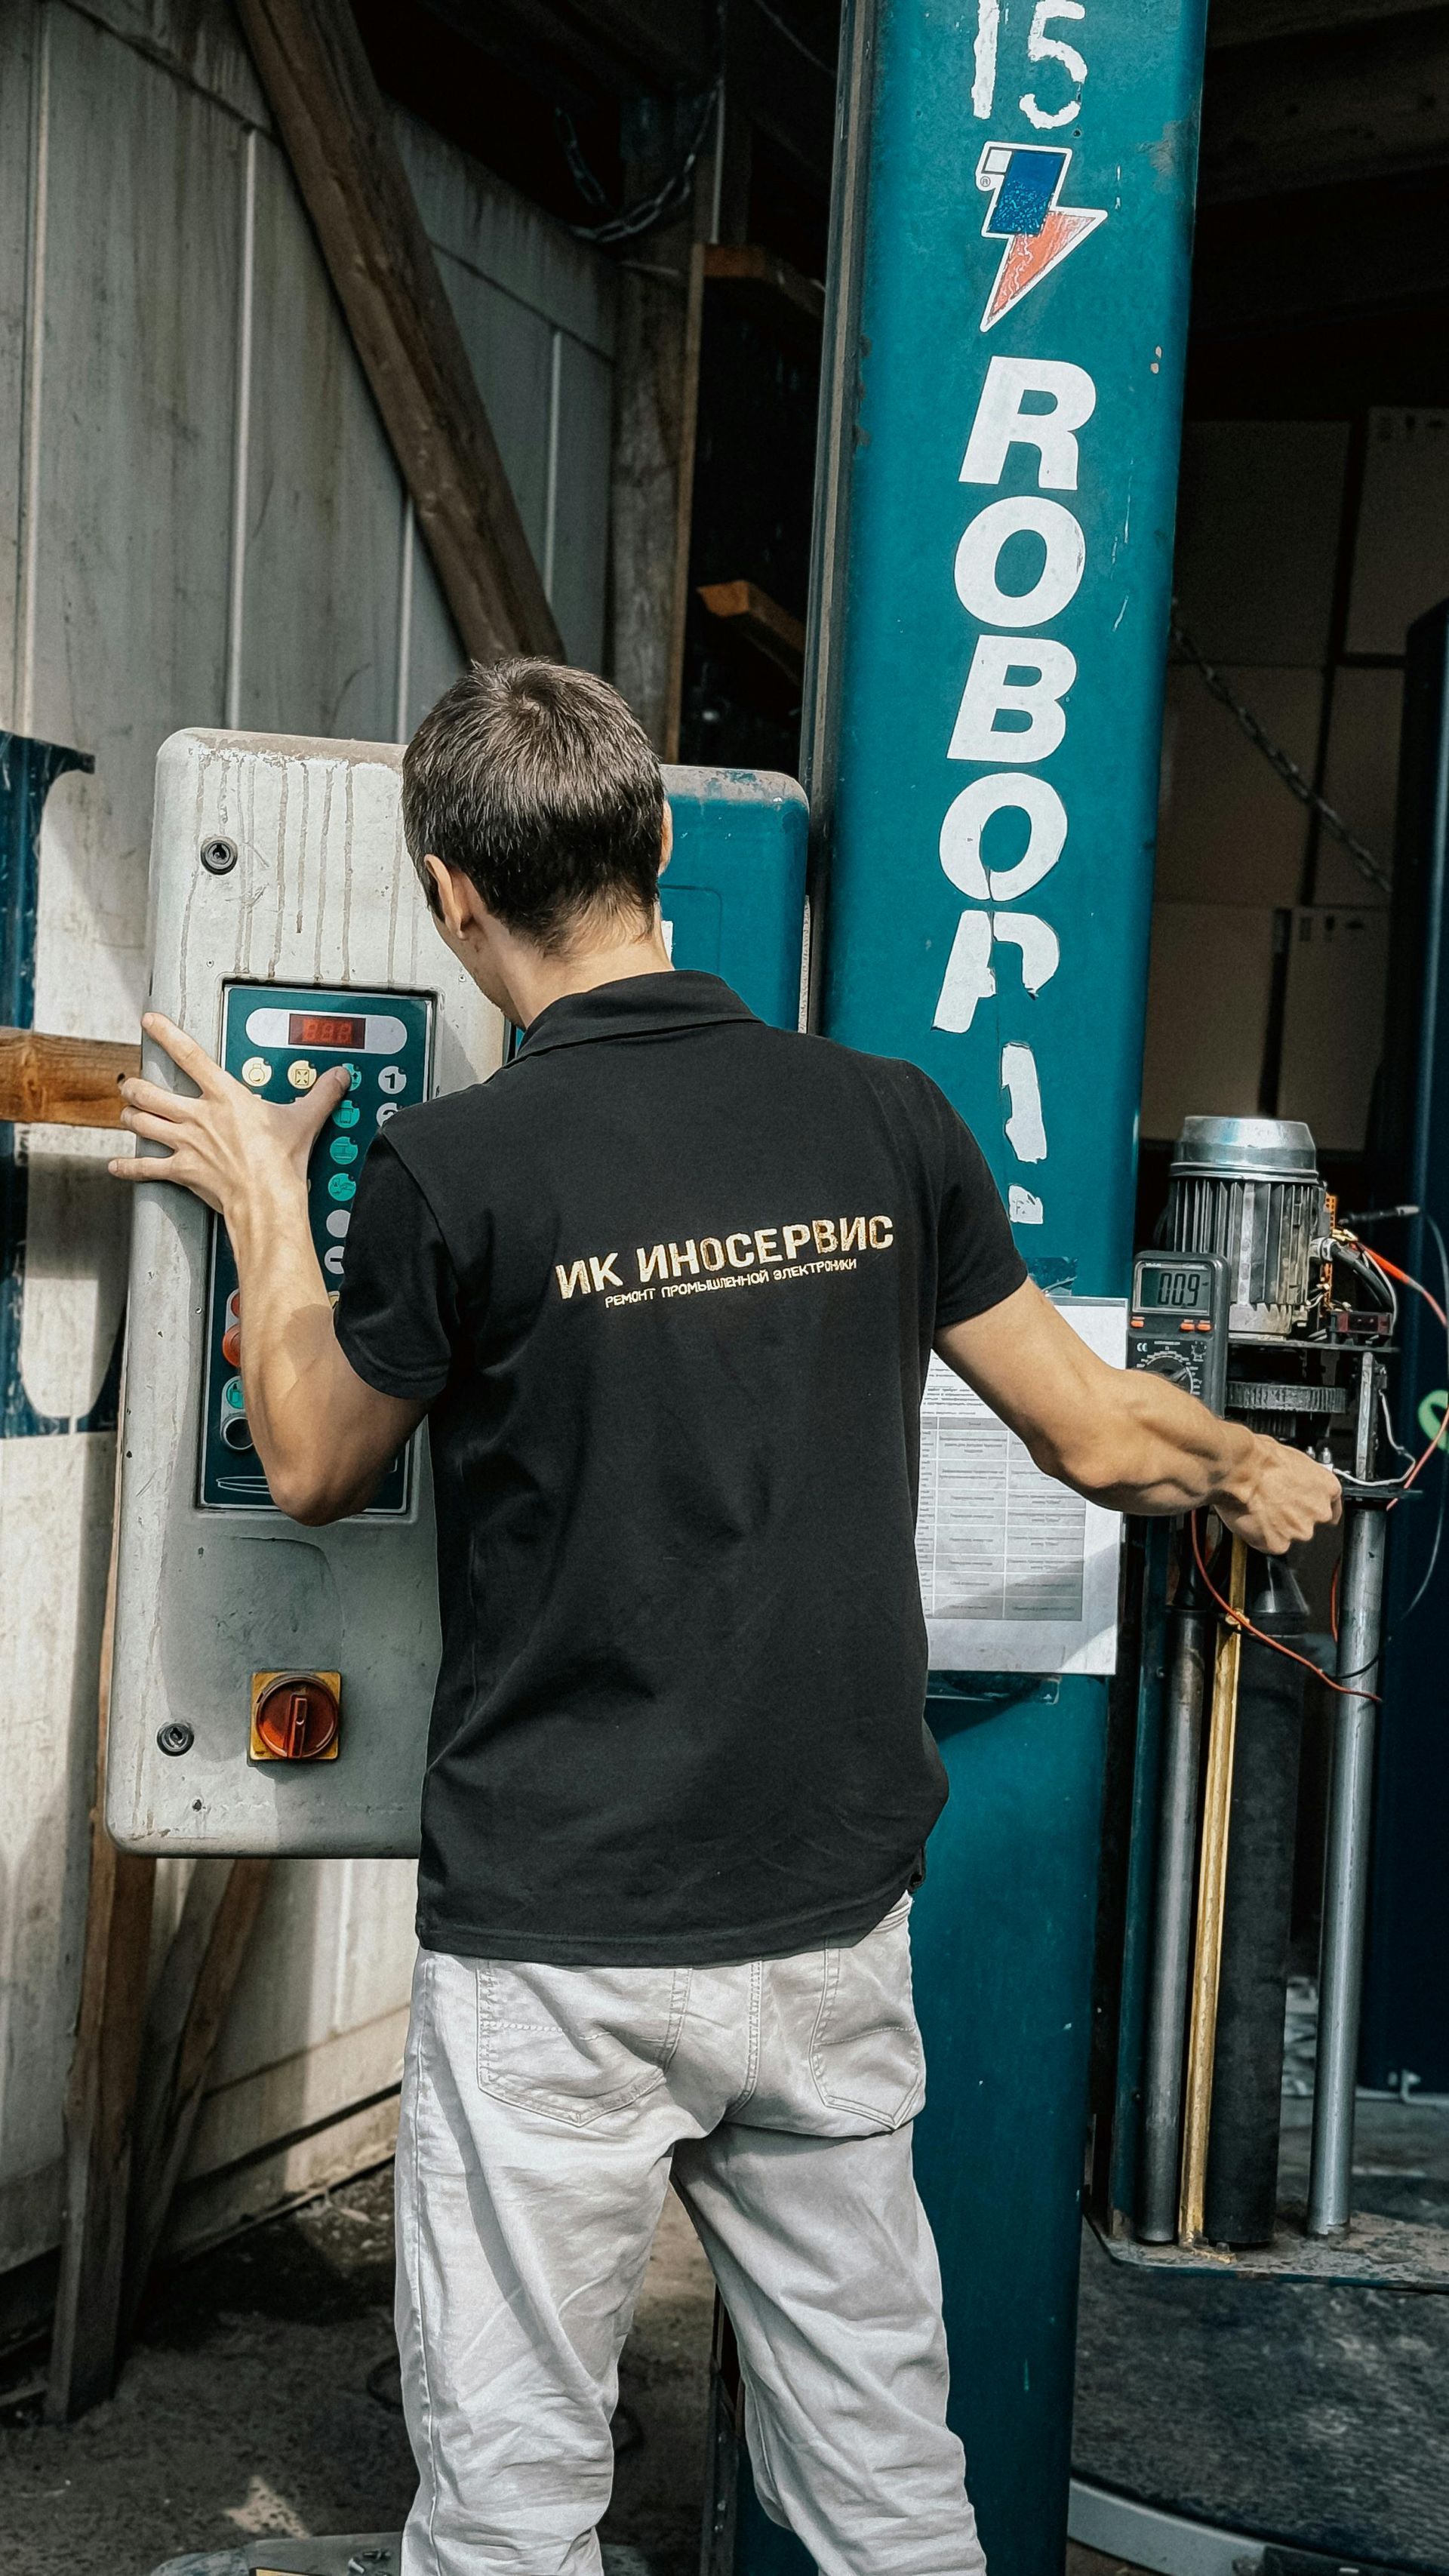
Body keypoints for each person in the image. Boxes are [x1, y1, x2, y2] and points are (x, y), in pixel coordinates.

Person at [110, 660, 1340, 2576]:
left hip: (561, 1948)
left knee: (513, 2501)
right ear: (660, 842)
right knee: (882, 2482)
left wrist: (272, 1201)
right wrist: (1255, 1467)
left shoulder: (456, 1168)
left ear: (449, 894)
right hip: (824, 1922)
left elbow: (315, 1462)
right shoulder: (885, 1118)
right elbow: (1099, 1436)